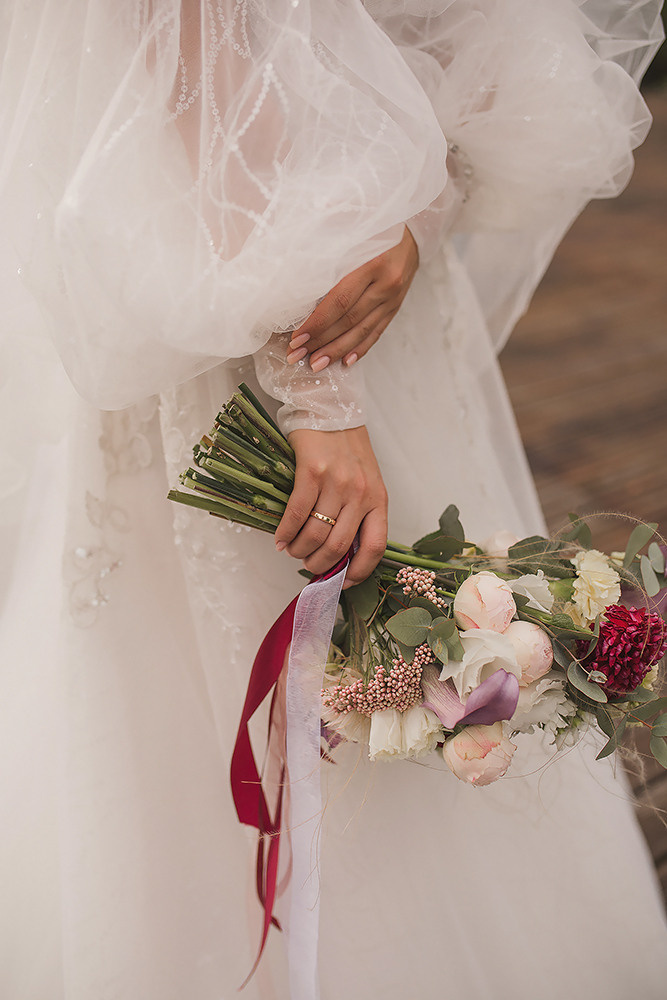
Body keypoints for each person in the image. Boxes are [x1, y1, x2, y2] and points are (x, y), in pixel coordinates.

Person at [1, 2, 666, 997]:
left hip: (361, 266)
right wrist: (318, 390)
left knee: (402, 673)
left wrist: (409, 210)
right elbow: (200, 51)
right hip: (238, 277)